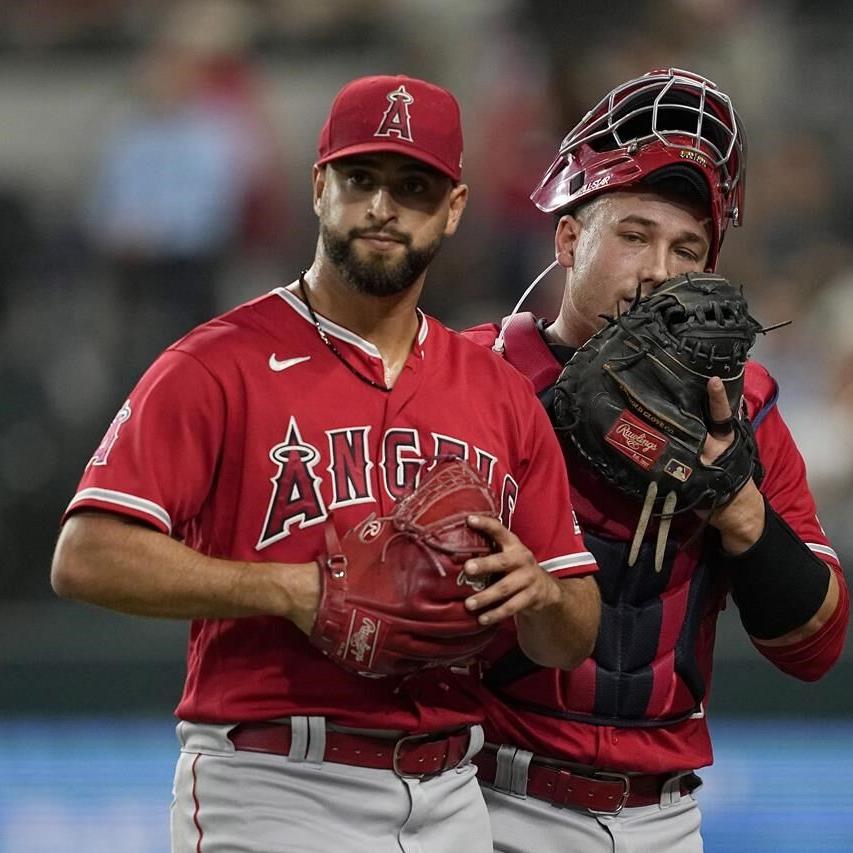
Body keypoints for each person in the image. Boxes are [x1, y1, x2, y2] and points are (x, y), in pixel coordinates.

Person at [51, 74, 601, 853]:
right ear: (319, 188)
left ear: (453, 208)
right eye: (360, 179)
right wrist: (289, 588)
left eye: (413, 186)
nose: (382, 206)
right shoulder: (215, 364)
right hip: (275, 782)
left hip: (451, 791)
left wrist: (539, 593)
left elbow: (571, 633)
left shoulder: (498, 393)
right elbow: (86, 556)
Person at [463, 68, 849, 852]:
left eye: (687, 248)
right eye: (633, 235)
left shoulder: (743, 406)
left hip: (664, 820)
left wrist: (734, 497)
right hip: (485, 798)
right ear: (569, 236)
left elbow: (814, 644)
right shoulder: (472, 378)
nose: (658, 274)